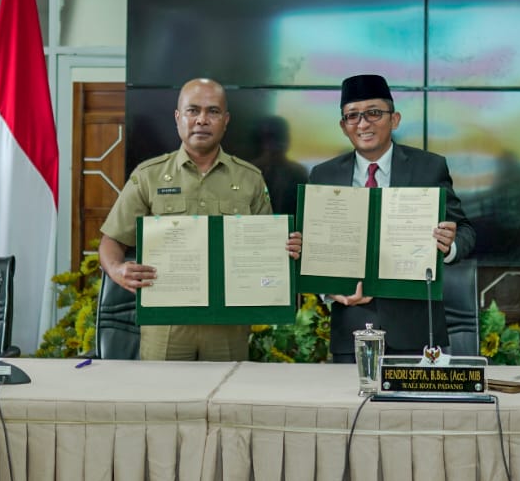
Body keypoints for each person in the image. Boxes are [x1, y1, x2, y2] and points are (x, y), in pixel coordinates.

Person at [99, 77, 299, 361]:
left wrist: (285, 246)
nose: (202, 120)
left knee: (226, 403)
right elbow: (111, 241)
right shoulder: (149, 176)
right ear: (178, 117)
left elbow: (265, 248)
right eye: (193, 110)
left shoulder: (249, 178)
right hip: (165, 322)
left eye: (212, 111)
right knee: (163, 403)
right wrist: (117, 269)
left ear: (226, 120)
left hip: (228, 323)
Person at [307, 74, 475, 361]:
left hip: (415, 330)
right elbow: (314, 248)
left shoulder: (428, 167)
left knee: (413, 408)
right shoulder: (324, 175)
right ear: (343, 125)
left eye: (374, 113)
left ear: (394, 119)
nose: (363, 124)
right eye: (353, 116)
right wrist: (330, 290)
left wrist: (449, 246)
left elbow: (466, 232)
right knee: (349, 406)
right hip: (351, 328)